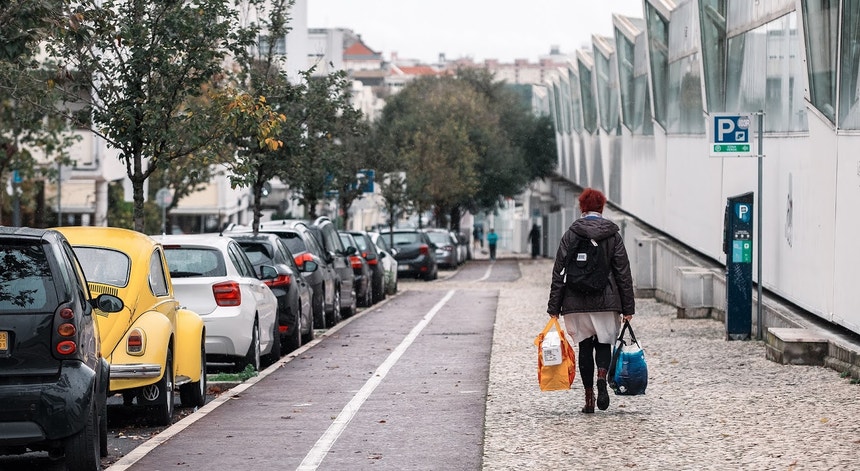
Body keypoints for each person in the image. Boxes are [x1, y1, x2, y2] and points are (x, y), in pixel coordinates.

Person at [546, 188, 635, 414]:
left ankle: (588, 398)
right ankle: (602, 379)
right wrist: (628, 307)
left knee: (585, 346)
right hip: (606, 301)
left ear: (582, 208)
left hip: (576, 300)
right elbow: (623, 272)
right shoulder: (612, 235)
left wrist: (554, 308)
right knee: (603, 343)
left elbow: (559, 272)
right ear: (602, 208)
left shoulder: (571, 234)